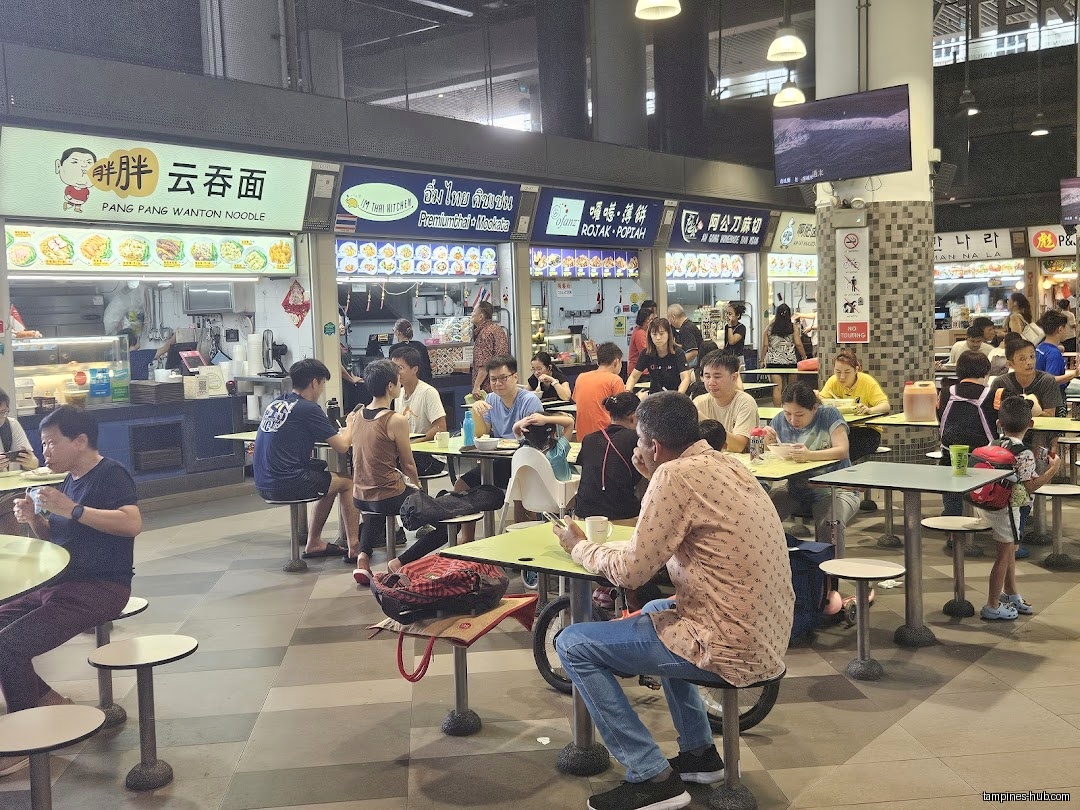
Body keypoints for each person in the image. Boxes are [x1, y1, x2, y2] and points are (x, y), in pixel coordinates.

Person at [552, 392, 793, 810]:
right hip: (767, 633)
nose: (637, 449)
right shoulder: (725, 463)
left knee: (574, 644)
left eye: (639, 441)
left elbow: (631, 571)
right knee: (653, 610)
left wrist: (579, 546)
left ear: (654, 446)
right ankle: (700, 754)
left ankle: (650, 775)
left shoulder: (673, 477)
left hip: (728, 645)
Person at [0, 407, 142, 777]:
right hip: (62, 583)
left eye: (50, 443)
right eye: (42, 443)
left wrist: (72, 509)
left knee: (9, 645)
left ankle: (26, 740)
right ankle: (48, 702)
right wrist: (34, 519)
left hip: (101, 586)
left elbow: (132, 524)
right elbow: (58, 541)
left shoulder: (110, 474)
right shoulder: (69, 480)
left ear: (80, 441)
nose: (44, 452)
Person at [351, 359, 449, 585]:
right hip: (389, 494)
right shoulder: (395, 419)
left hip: (360, 497)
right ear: (390, 386)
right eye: (397, 382)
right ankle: (400, 562)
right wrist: (418, 492)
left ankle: (363, 558)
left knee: (375, 510)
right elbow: (408, 464)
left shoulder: (356, 416)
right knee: (447, 525)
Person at [254, 359, 358, 560]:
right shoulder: (309, 408)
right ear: (314, 383)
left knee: (327, 479)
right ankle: (354, 547)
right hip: (287, 482)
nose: (321, 391)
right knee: (347, 482)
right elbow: (343, 446)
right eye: (322, 384)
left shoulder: (276, 404)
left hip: (263, 481)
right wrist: (352, 424)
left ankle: (314, 543)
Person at [975, 396, 1060, 621]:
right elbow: (1030, 486)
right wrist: (1053, 470)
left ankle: (1011, 592)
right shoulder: (1024, 454)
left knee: (1009, 550)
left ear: (998, 424)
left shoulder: (993, 444)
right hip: (1008, 510)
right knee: (1003, 556)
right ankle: (992, 605)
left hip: (987, 504)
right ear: (1030, 424)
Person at [765, 383, 862, 543]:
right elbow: (771, 458)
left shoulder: (829, 415)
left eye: (800, 414)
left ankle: (828, 566)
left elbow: (842, 450)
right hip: (796, 489)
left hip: (836, 489)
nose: (792, 420)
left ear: (815, 408)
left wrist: (809, 455)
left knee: (830, 523)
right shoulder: (779, 421)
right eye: (787, 413)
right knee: (762, 515)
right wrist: (768, 443)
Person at [938, 350, 998, 518]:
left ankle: (953, 529)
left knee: (952, 499)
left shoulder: (944, 392)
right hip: (983, 461)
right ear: (986, 372)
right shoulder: (993, 394)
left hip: (949, 456)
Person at [573, 392, 643, 521]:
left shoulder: (588, 439)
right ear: (633, 417)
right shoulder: (637, 440)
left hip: (584, 514)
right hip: (621, 514)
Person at [818, 349, 891, 461]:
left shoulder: (867, 381)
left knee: (842, 449)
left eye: (847, 372)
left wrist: (870, 410)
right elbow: (821, 402)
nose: (842, 377)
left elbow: (885, 406)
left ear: (856, 369)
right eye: (838, 372)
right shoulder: (833, 381)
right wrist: (815, 398)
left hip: (867, 431)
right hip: (841, 429)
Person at [390, 345, 447, 477]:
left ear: (414, 369)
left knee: (393, 465)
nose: (395, 373)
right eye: (393, 368)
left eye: (400, 368)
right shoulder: (398, 393)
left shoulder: (428, 392)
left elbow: (440, 427)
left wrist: (413, 445)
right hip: (408, 451)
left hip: (430, 456)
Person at [693, 352, 758, 453]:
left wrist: (705, 420)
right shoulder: (698, 402)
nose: (711, 382)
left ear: (734, 377)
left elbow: (739, 446)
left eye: (717, 377)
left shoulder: (745, 403)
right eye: (707, 376)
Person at [989, 336, 1065, 418]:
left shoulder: (1047, 380)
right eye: (1022, 359)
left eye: (1032, 357)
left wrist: (1032, 409)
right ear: (1010, 364)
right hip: (1009, 429)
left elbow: (1050, 415)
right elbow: (991, 413)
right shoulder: (1000, 383)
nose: (1029, 362)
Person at [0, 389, 41, 535]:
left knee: (18, 503)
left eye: (3, 412)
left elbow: (34, 463)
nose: (0, 418)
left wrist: (29, 462)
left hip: (5, 492)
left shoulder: (10, 426)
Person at [572, 342, 627, 438]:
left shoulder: (581, 377)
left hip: (582, 437)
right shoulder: (615, 380)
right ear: (616, 362)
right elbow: (622, 411)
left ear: (598, 362)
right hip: (607, 437)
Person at [625, 317, 690, 396]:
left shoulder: (678, 353)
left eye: (661, 333)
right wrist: (627, 393)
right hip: (655, 396)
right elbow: (633, 377)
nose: (658, 338)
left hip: (675, 394)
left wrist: (678, 396)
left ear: (668, 334)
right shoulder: (646, 353)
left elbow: (685, 378)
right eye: (654, 334)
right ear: (650, 336)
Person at [762, 303, 806, 407]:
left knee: (777, 388)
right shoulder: (792, 327)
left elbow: (765, 345)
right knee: (791, 388)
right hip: (790, 361)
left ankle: (777, 412)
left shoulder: (770, 328)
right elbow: (798, 343)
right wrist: (804, 357)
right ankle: (791, 409)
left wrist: (761, 359)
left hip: (774, 362)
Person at [513, 412, 575, 481]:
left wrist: (526, 420)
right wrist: (546, 419)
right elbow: (570, 422)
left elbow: (515, 430)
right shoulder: (558, 451)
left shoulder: (523, 449)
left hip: (531, 491)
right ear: (553, 432)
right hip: (562, 491)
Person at [470, 301, 509, 400]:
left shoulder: (484, 334)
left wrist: (476, 386)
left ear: (481, 317)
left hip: (488, 388)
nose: (471, 314)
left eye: (474, 311)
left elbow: (484, 365)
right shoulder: (498, 329)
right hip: (502, 382)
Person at [1035, 309, 1077, 389]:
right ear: (1060, 329)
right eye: (1065, 327)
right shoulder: (1054, 354)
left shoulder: (1040, 347)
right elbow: (1051, 381)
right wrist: (1075, 373)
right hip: (1053, 397)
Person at [391, 319, 433, 383]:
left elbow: (392, 372)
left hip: (403, 386)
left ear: (398, 332)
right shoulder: (420, 345)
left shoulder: (394, 349)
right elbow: (428, 369)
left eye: (393, 330)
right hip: (421, 385)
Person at [667, 304, 703, 370]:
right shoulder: (690, 325)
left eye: (669, 318)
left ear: (673, 317)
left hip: (694, 367)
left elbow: (693, 352)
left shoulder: (685, 329)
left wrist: (677, 364)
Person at [627, 306, 656, 375]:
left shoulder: (640, 331)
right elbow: (646, 353)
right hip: (639, 372)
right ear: (646, 320)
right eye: (651, 319)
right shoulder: (640, 334)